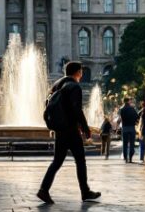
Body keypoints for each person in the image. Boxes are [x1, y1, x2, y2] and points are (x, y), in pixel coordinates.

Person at [37, 61, 100, 204]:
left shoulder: (56, 85)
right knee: (80, 160)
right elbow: (77, 109)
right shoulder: (74, 86)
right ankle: (85, 192)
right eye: (81, 71)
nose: (82, 74)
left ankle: (43, 189)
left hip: (60, 130)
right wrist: (85, 128)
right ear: (78, 72)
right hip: (71, 130)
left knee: (57, 161)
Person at [118, 98, 139, 163]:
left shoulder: (121, 109)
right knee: (132, 144)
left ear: (123, 101)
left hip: (125, 128)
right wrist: (134, 122)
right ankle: (130, 158)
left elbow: (120, 118)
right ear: (128, 101)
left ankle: (125, 158)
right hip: (132, 128)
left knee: (125, 144)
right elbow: (137, 117)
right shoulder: (132, 109)